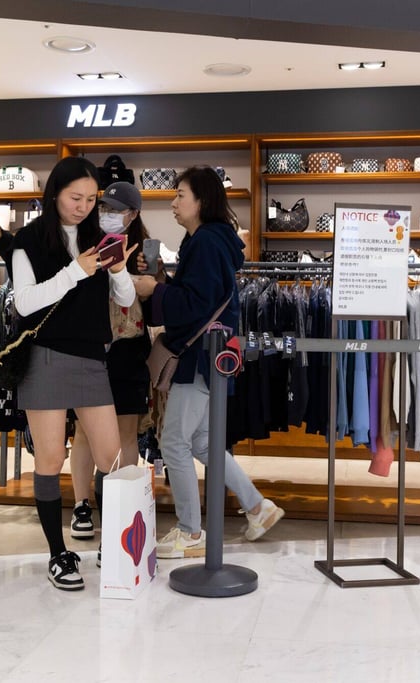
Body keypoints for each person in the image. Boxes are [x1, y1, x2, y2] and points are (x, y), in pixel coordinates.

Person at [133, 166, 283, 559]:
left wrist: (154, 290)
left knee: (174, 443)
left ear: (202, 200)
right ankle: (257, 507)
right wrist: (161, 282)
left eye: (180, 195)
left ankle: (190, 532)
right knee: (201, 441)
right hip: (211, 356)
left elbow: (194, 305)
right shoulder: (211, 241)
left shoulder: (204, 243)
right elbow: (200, 296)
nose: (173, 203)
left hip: (198, 357)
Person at [5, 156, 137, 590]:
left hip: (92, 357)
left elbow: (124, 300)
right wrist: (74, 271)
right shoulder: (28, 240)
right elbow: (25, 302)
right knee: (49, 459)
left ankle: (112, 542)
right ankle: (57, 553)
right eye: (75, 198)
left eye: (91, 199)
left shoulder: (101, 236)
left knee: (111, 458)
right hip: (45, 355)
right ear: (55, 194)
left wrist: (118, 271)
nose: (83, 207)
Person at [64, 182, 151, 556]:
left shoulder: (145, 250)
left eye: (116, 209)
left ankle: (121, 507)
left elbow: (152, 295)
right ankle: (81, 505)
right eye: (104, 207)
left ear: (132, 214)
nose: (107, 214)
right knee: (84, 430)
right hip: (90, 345)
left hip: (129, 346)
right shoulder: (83, 241)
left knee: (127, 432)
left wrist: (144, 276)